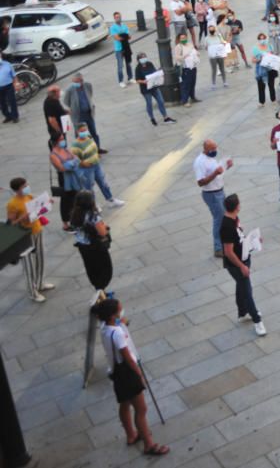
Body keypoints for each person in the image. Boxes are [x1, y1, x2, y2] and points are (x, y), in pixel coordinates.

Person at [92, 297, 170, 456]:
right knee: (141, 409)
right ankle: (149, 444)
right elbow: (127, 356)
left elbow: (116, 325)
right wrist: (139, 374)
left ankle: (131, 434)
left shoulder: (104, 328)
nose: (122, 312)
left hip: (116, 373)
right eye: (119, 311)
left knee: (125, 404)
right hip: (127, 373)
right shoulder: (117, 334)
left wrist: (122, 322)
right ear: (113, 315)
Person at [220, 194, 267, 337]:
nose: (240, 205)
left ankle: (242, 313)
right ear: (236, 207)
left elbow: (240, 239)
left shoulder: (234, 219)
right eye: (239, 203)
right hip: (236, 265)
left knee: (241, 287)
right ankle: (257, 321)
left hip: (244, 258)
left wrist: (255, 241)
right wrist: (241, 266)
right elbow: (228, 252)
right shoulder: (226, 226)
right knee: (247, 291)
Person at [6, 177, 54, 302]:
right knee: (29, 265)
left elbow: (38, 210)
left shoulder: (29, 197)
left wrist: (47, 204)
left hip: (37, 230)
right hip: (25, 236)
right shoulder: (12, 204)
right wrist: (23, 217)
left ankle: (40, 283)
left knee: (40, 258)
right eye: (24, 186)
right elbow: (10, 224)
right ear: (18, 189)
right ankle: (32, 292)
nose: (27, 187)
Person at [193, 139, 232, 257]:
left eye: (215, 148)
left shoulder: (210, 158)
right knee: (219, 220)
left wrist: (226, 166)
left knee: (223, 218)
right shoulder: (200, 162)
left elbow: (218, 172)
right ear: (205, 149)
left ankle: (225, 243)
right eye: (212, 149)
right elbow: (200, 182)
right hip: (212, 194)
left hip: (219, 191)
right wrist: (215, 173)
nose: (215, 151)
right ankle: (218, 248)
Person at [70, 191, 113, 290]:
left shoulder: (74, 215)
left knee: (91, 269)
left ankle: (98, 289)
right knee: (105, 270)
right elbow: (102, 233)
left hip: (83, 247)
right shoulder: (93, 217)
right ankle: (101, 291)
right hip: (96, 247)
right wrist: (105, 228)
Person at [134, 53, 176, 126]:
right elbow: (137, 80)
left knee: (161, 101)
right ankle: (152, 118)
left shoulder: (150, 64)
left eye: (145, 57)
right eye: (142, 58)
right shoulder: (138, 68)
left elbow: (154, 72)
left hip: (154, 86)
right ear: (139, 60)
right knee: (149, 104)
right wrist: (143, 81)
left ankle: (166, 117)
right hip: (146, 89)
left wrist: (159, 74)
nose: (144, 59)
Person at [50, 135, 82, 232]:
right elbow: (62, 168)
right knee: (66, 200)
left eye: (63, 138)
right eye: (61, 139)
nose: (63, 141)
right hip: (64, 179)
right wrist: (72, 163)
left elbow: (77, 159)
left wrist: (69, 164)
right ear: (56, 141)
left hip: (73, 177)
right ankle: (65, 223)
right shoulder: (53, 155)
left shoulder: (65, 149)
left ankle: (76, 220)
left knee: (76, 198)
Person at [174, 32, 199, 107]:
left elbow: (194, 51)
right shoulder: (178, 47)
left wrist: (197, 53)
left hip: (193, 66)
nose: (184, 39)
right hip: (185, 68)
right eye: (182, 38)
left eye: (184, 37)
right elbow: (177, 57)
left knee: (192, 83)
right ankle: (184, 100)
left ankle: (192, 97)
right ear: (179, 39)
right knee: (185, 84)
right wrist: (184, 56)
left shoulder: (190, 44)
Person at [109, 13, 134, 88]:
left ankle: (130, 78)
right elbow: (117, 38)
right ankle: (121, 81)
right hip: (118, 49)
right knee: (120, 66)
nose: (118, 18)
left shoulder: (124, 26)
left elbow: (129, 37)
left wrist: (122, 35)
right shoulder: (112, 27)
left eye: (119, 17)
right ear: (114, 18)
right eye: (116, 17)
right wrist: (124, 35)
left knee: (128, 63)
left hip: (126, 47)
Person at [0, 56, 18, 124]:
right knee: (2, 103)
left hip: (9, 85)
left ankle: (15, 117)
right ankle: (8, 116)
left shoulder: (7, 64)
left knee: (12, 101)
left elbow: (14, 75)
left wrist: (16, 83)